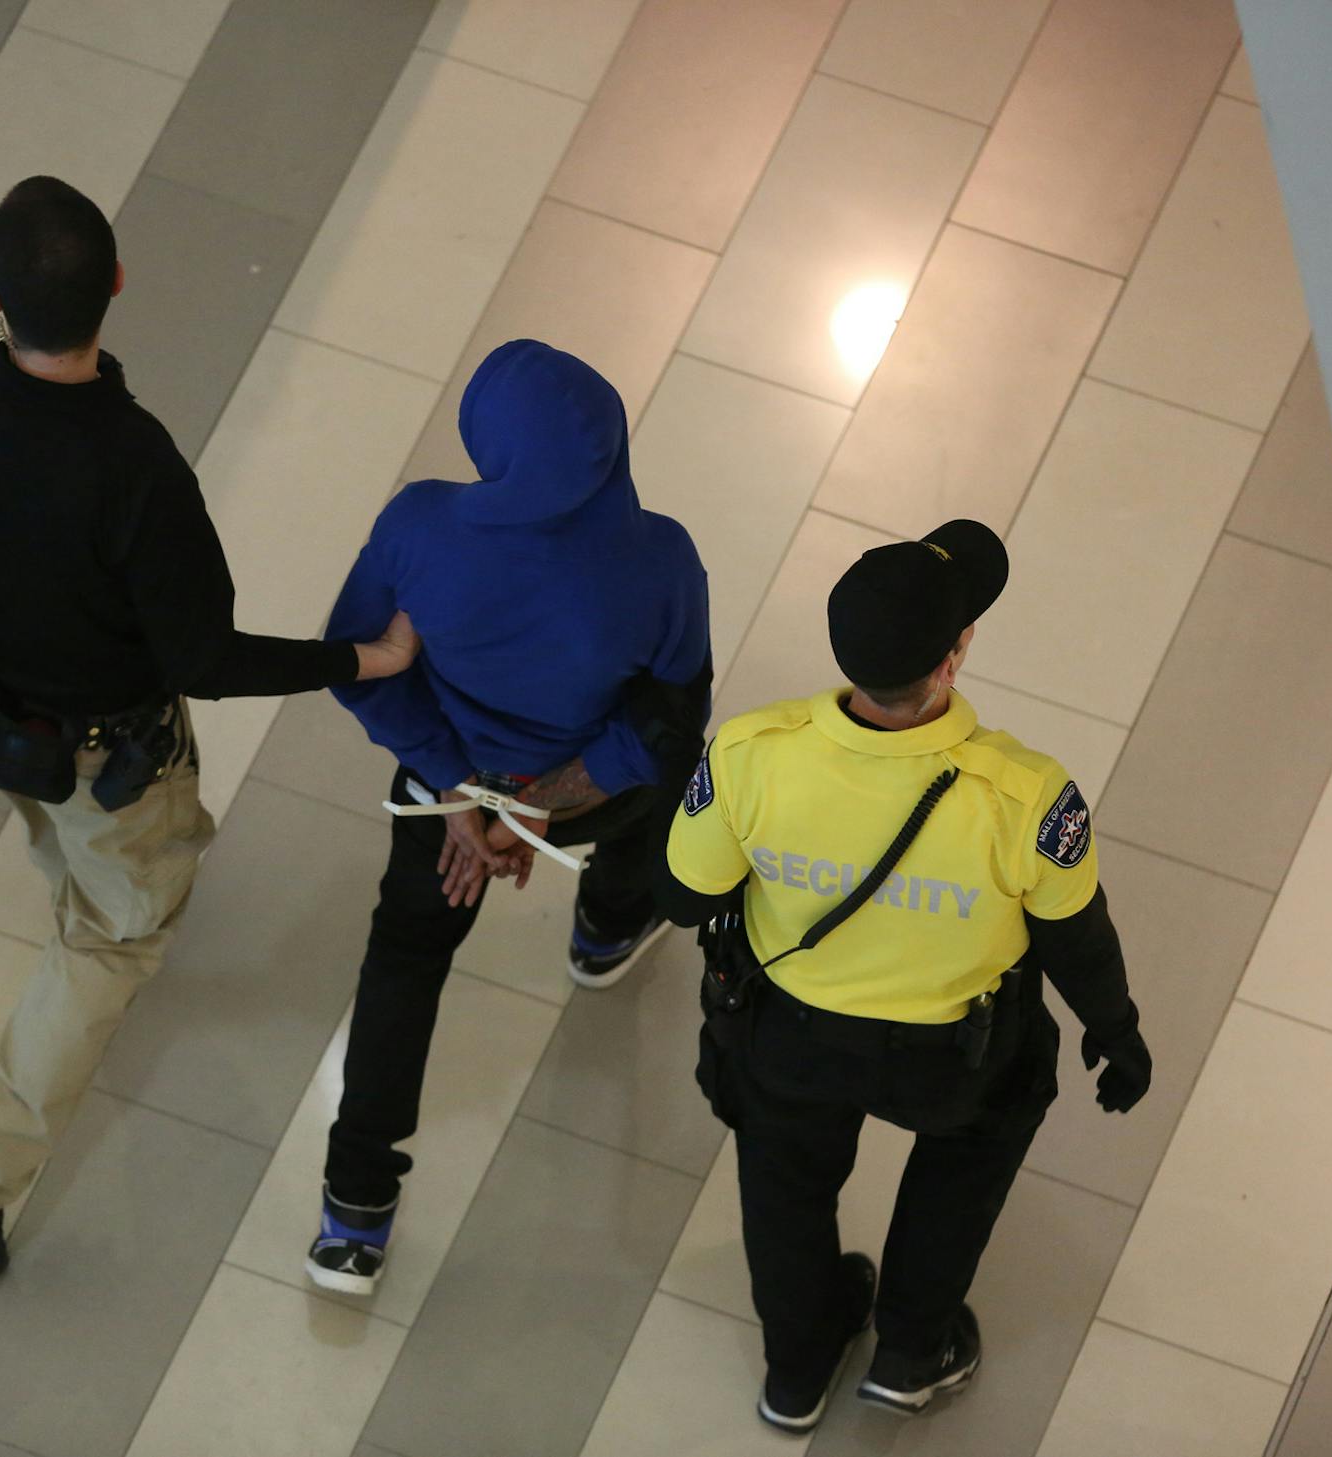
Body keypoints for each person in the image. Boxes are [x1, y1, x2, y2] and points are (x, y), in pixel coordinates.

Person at [0, 175, 419, 1284]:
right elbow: (203, 657)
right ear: (120, 288)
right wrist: (362, 658)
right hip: (102, 751)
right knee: (113, 937)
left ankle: (73, 869)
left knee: (53, 826)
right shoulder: (138, 467)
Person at [657, 521, 1152, 1432]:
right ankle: (912, 1350)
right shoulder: (1026, 792)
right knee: (966, 1162)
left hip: (790, 1030)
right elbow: (1077, 936)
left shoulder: (749, 751)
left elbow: (688, 897)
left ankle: (797, 1368)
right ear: (955, 656)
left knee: (783, 1181)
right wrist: (1114, 1031)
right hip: (956, 1051)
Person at [305, 339, 712, 1295]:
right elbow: (670, 715)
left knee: (405, 960)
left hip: (445, 803)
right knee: (650, 819)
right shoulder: (662, 558)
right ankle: (607, 933)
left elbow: (356, 663)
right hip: (588, 798)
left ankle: (354, 1212)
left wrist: (459, 794)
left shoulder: (421, 526)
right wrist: (539, 806)